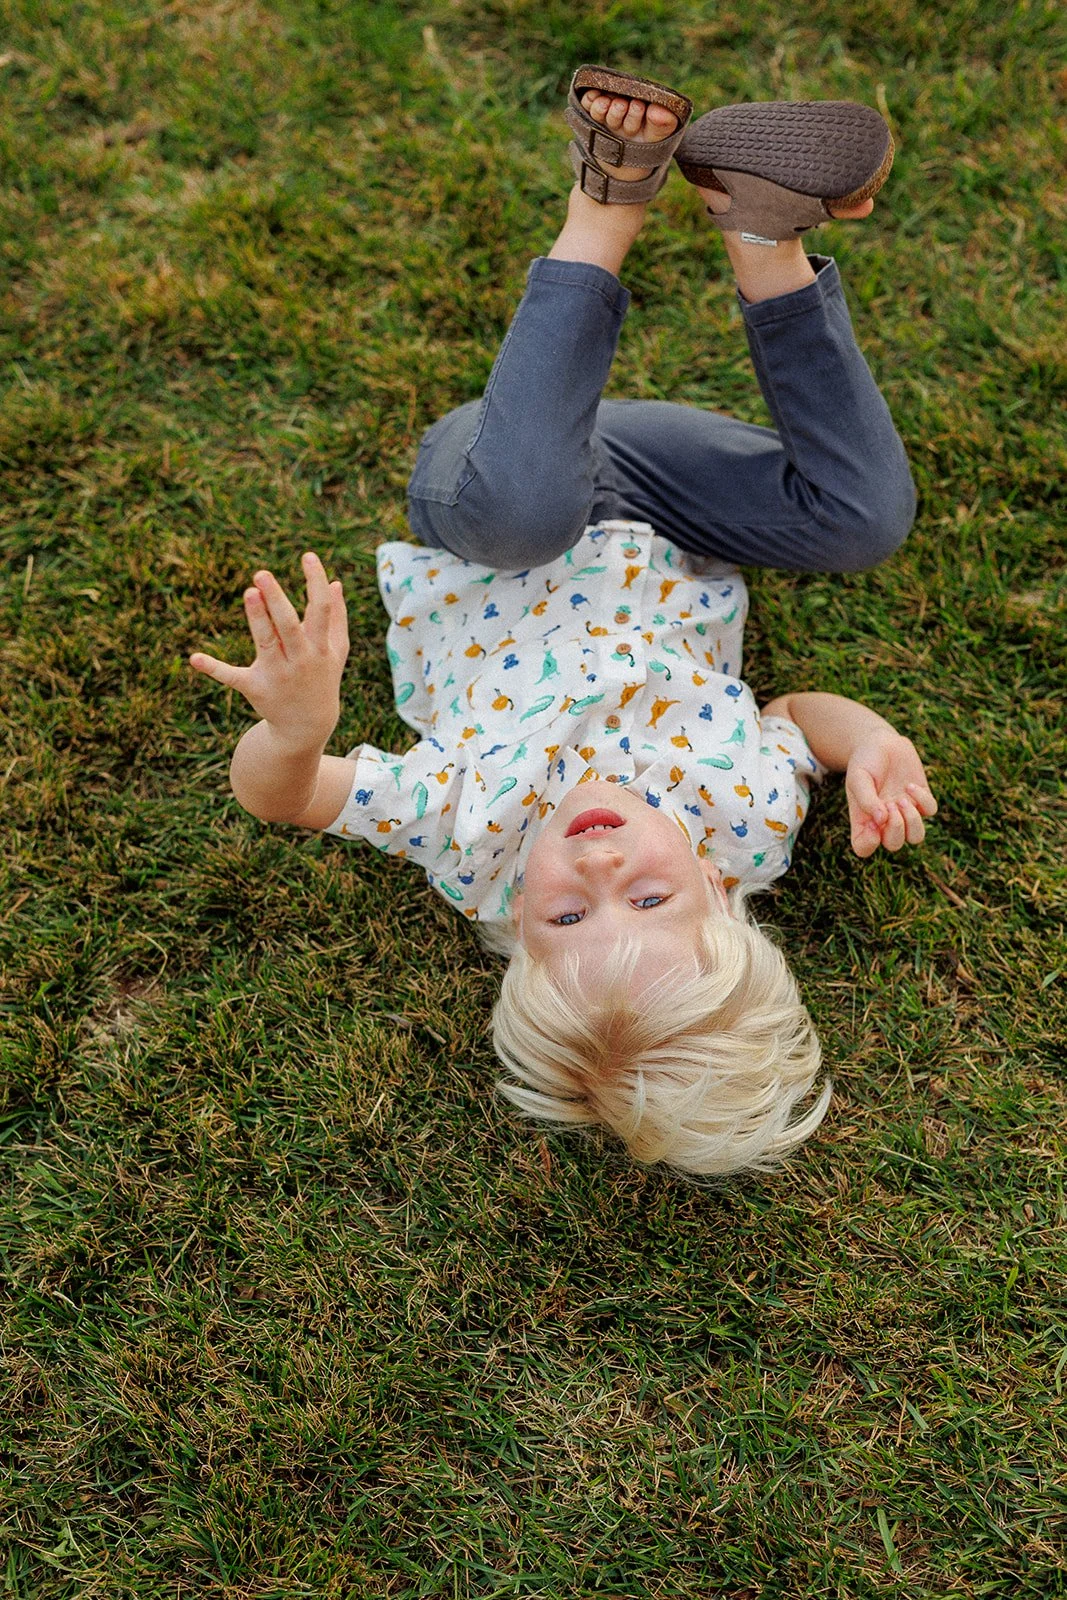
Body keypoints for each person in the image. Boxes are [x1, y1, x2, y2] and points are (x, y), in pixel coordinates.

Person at [191, 68, 937, 1177]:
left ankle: (606, 199)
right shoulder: (744, 817)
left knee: (528, 516)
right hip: (663, 501)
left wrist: (295, 733)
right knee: (864, 519)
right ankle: (761, 229)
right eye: (648, 895)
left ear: (518, 949)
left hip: (495, 499)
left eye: (567, 923)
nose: (595, 872)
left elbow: (285, 799)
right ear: (721, 900)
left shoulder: (473, 835)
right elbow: (797, 716)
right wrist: (870, 740)